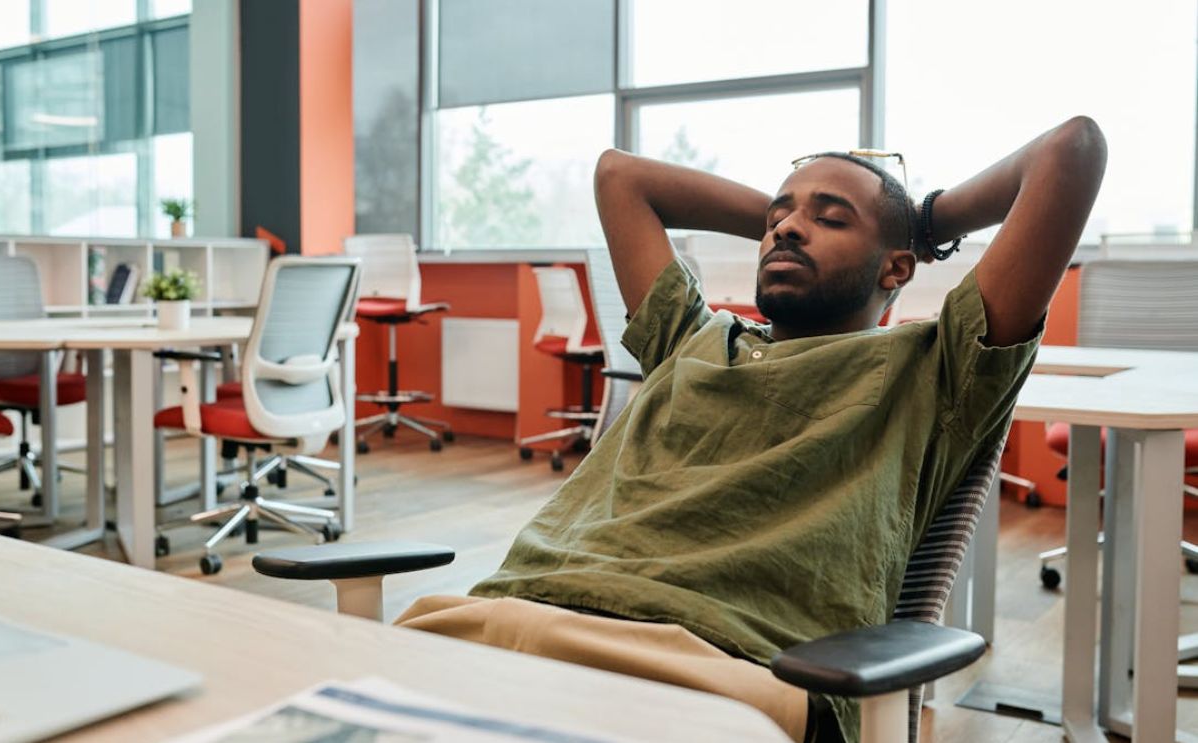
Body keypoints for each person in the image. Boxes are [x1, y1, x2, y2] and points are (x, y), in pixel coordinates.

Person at [397, 117, 1107, 743]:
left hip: (713, 671)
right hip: (491, 622)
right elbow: (621, 176)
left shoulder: (933, 370)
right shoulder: (690, 337)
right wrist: (806, 213)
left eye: (829, 218)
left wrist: (915, 223)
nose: (785, 229)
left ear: (897, 266)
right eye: (778, 218)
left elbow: (1069, 150)